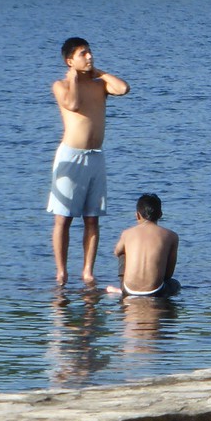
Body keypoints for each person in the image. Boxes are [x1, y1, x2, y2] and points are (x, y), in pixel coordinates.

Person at [48, 37, 130, 286]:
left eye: (90, 52)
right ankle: (62, 271)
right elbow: (72, 104)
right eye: (83, 54)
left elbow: (123, 89)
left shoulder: (99, 84)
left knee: (92, 217)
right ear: (70, 60)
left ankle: (87, 271)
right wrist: (73, 77)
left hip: (95, 155)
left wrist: (100, 73)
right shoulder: (61, 85)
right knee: (64, 218)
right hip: (71, 155)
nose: (90, 56)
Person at [107, 193, 179, 297]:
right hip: (155, 291)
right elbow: (168, 275)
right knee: (175, 284)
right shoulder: (172, 236)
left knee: (122, 252)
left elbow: (117, 252)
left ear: (137, 215)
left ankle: (122, 290)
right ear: (160, 214)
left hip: (129, 290)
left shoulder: (127, 233)